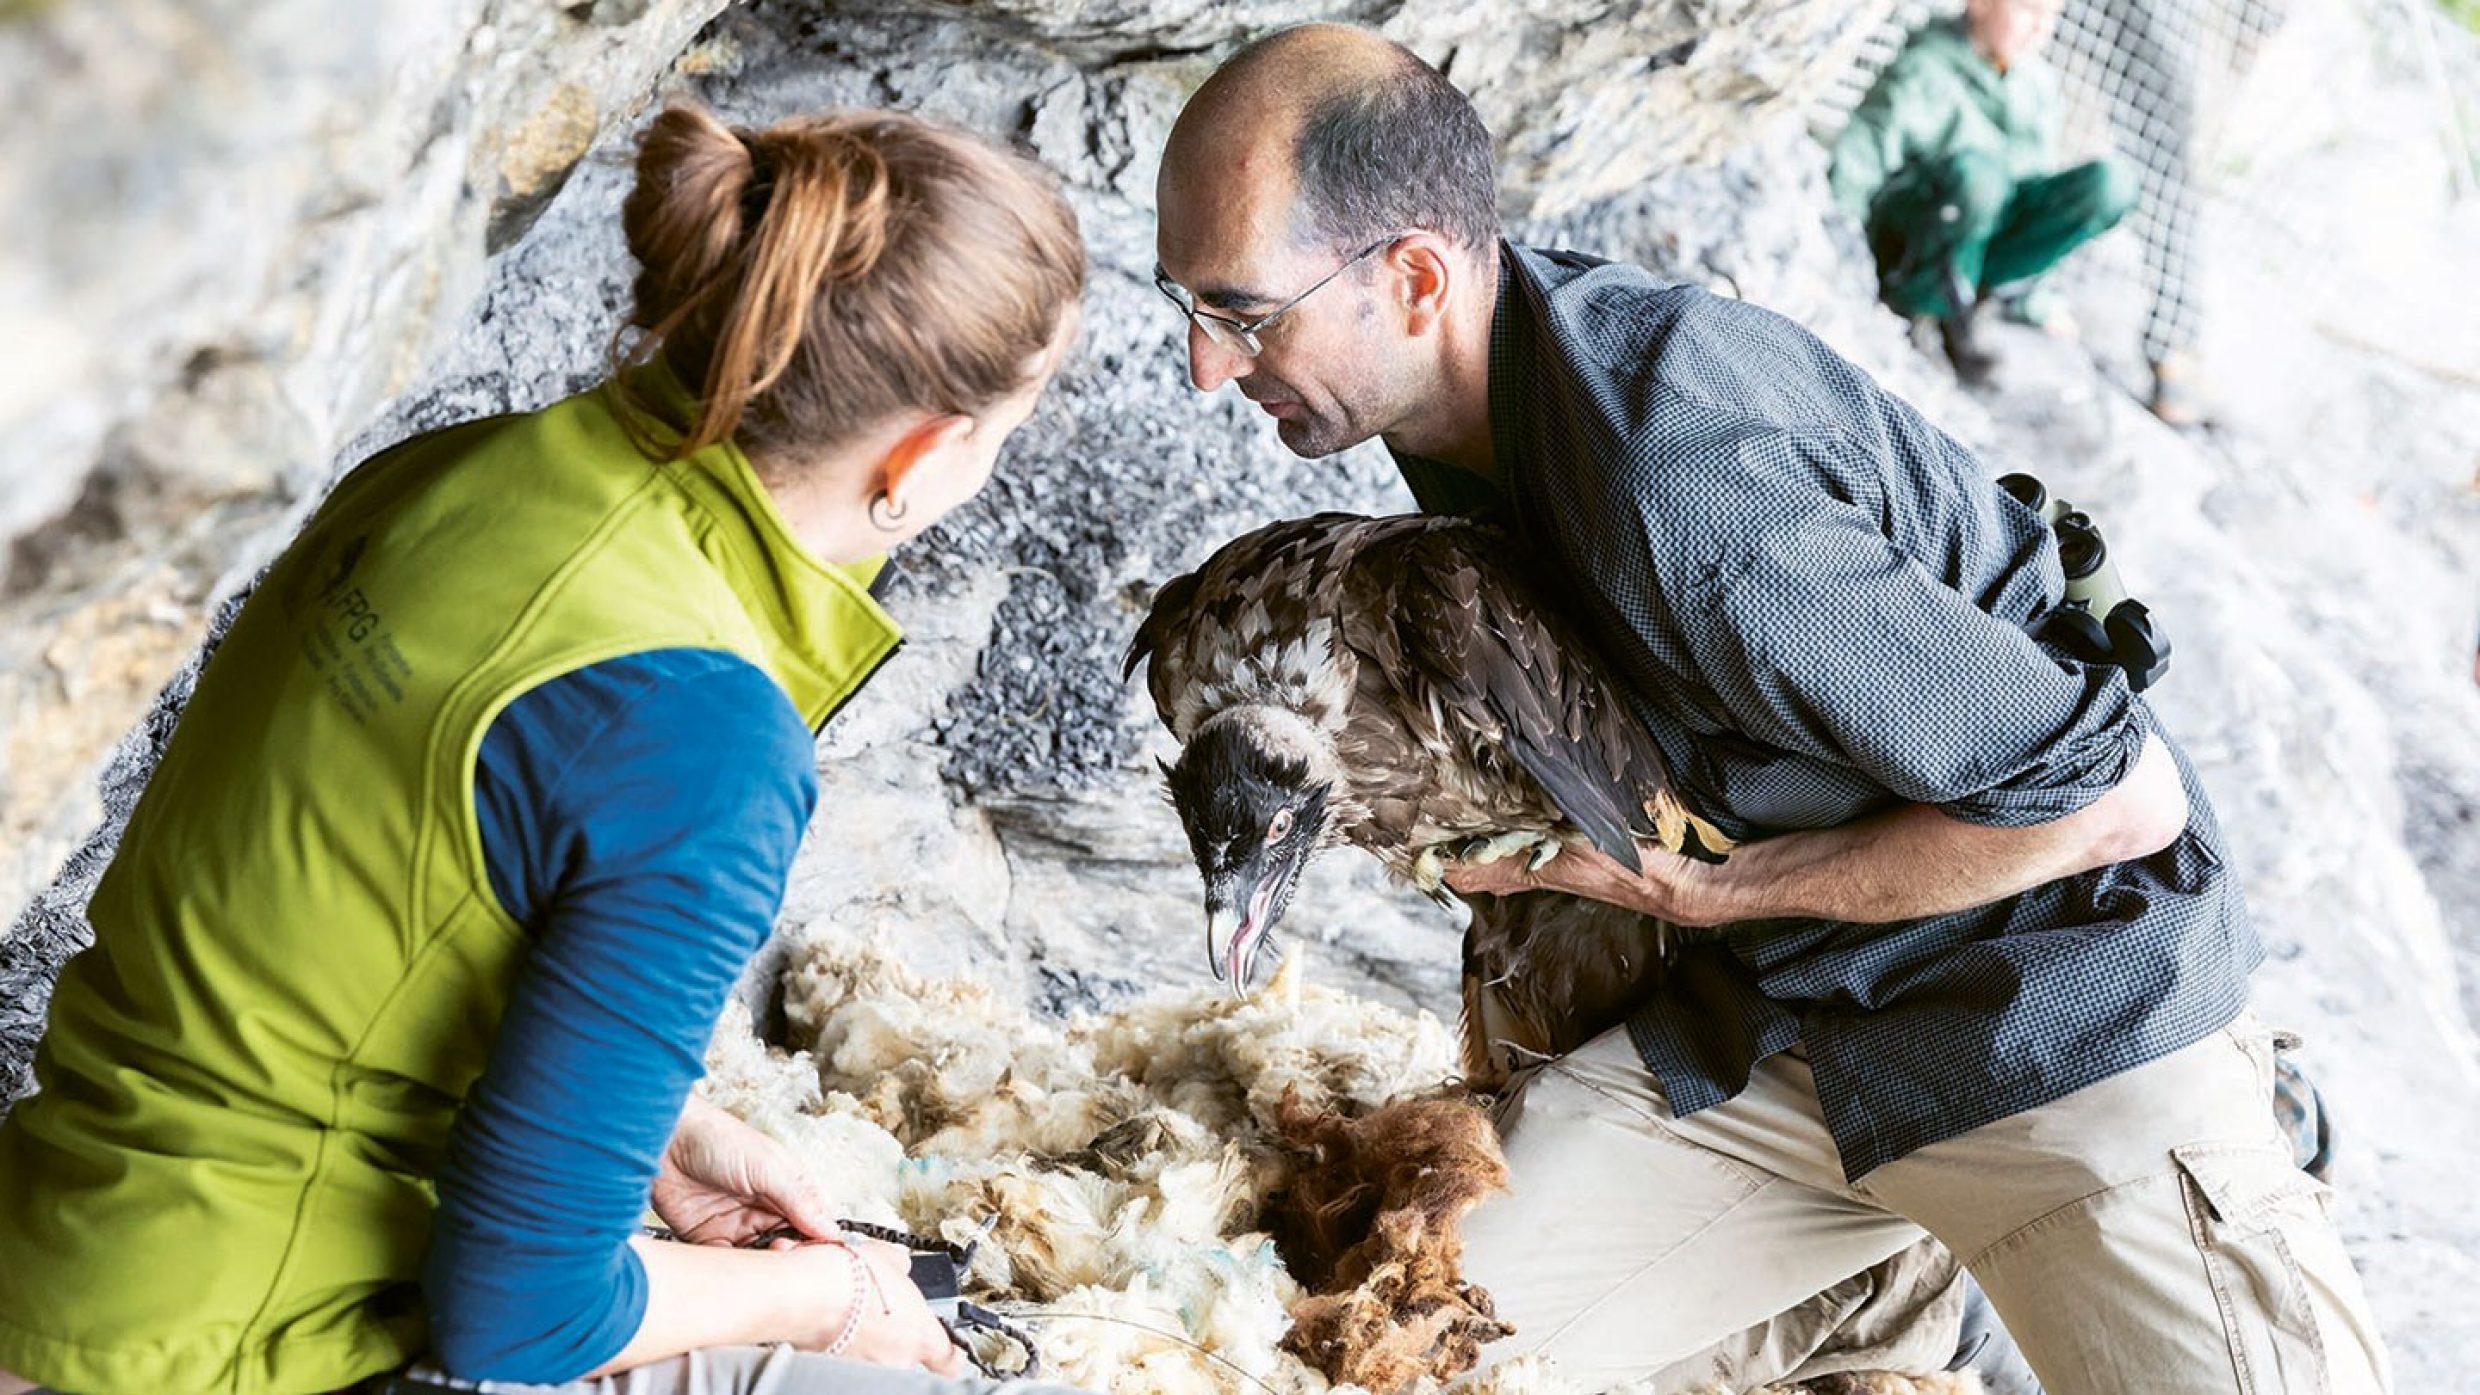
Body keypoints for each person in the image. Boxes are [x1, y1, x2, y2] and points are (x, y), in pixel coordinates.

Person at [1152, 23, 2394, 1395]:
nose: (1212, 366)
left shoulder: (1680, 492)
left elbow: (2116, 798)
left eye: (1244, 312)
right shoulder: (1464, 401)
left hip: (2054, 1017)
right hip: (1793, 1045)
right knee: (1394, 1345)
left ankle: (2235, 1125)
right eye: (1191, 308)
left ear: (1416, 276)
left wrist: (1711, 893)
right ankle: (1892, 1293)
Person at [0, 102, 1088, 1395]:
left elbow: (347, 927)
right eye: (1006, 436)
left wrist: (658, 1132)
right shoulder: (707, 733)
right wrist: (825, 1291)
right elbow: (521, 1318)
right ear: (920, 454)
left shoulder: (455, 470)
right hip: (225, 1347)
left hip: (64, 1238)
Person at [1829, 0, 2137, 384]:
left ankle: (1976, 304)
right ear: (1981, 4)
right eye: (2028, 11)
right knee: (1979, 178)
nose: (2039, 29)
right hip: (1919, 236)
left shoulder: (2036, 82)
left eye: (2050, 18)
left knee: (2109, 184)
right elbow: (1860, 159)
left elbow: (2033, 191)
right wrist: (1839, 254)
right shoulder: (1925, 65)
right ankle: (1924, 312)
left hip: (1982, 237)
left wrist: (2039, 303)